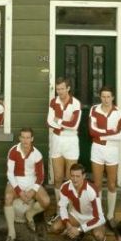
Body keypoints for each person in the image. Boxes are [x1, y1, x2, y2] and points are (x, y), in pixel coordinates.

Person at [4, 127, 50, 241]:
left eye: (28, 138)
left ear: (32, 139)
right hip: (16, 181)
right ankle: (11, 233)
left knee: (46, 201)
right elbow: (9, 173)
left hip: (32, 182)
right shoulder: (13, 151)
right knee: (8, 198)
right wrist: (19, 191)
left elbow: (40, 177)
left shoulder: (37, 154)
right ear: (19, 138)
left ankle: (30, 214)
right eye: (23, 137)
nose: (25, 140)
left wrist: (31, 191)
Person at [48, 162, 106, 241]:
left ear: (84, 176)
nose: (74, 179)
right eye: (72, 176)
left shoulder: (92, 190)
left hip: (92, 217)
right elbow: (62, 207)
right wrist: (68, 225)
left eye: (78, 176)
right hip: (76, 216)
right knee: (55, 227)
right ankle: (78, 237)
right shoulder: (65, 187)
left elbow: (99, 217)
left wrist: (78, 230)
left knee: (99, 236)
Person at [46, 77, 82, 224]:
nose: (59, 91)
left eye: (62, 88)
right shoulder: (54, 102)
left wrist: (59, 121)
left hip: (71, 141)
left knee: (71, 179)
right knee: (58, 178)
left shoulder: (76, 103)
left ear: (68, 88)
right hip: (57, 140)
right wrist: (58, 123)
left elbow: (74, 125)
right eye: (57, 89)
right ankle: (59, 211)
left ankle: (70, 211)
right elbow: (48, 121)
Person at [89, 87, 121, 228]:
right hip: (97, 150)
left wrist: (102, 135)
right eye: (103, 96)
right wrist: (111, 132)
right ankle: (98, 215)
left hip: (112, 151)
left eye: (108, 97)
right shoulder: (94, 110)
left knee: (111, 184)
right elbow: (92, 131)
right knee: (97, 184)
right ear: (100, 97)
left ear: (113, 97)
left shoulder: (120, 113)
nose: (106, 99)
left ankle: (110, 216)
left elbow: (120, 136)